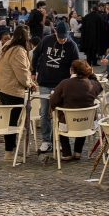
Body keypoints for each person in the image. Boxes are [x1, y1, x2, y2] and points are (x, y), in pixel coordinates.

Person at [32, 20, 80, 153]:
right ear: (55, 33)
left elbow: (76, 64)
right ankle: (46, 140)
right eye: (60, 37)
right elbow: (35, 55)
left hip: (61, 84)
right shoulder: (47, 40)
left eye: (64, 37)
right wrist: (32, 72)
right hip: (45, 81)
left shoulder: (72, 45)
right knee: (44, 112)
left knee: (60, 113)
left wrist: (73, 78)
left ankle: (57, 139)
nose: (62, 40)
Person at [0, 25, 36, 160]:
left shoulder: (8, 46)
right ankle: (9, 152)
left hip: (0, 87)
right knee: (12, 122)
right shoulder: (18, 51)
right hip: (10, 89)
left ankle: (11, 150)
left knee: (9, 121)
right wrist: (30, 83)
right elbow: (22, 73)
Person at [49, 60, 103, 161]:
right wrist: (92, 74)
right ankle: (78, 151)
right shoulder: (92, 84)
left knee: (59, 118)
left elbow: (53, 101)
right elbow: (99, 86)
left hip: (67, 123)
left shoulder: (64, 84)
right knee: (83, 114)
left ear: (71, 70)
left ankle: (66, 152)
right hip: (87, 123)